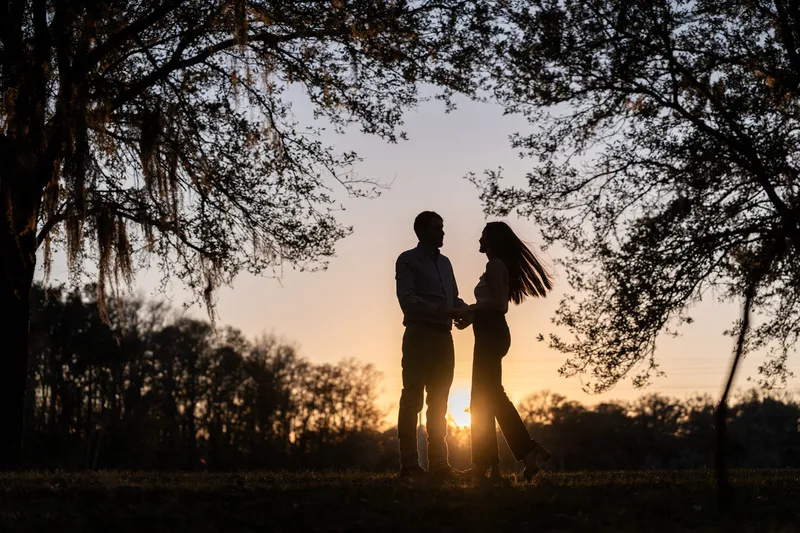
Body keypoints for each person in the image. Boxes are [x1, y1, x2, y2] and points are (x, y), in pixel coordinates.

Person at [453, 221, 554, 482]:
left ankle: (490, 461)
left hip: (492, 334)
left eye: (483, 234)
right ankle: (522, 457)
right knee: (486, 399)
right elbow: (492, 305)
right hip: (489, 332)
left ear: (492, 240)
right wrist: (471, 318)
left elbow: (499, 305)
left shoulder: (494, 265)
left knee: (486, 399)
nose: (479, 238)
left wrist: (471, 310)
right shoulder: (496, 265)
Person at [395, 211, 470, 478]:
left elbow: (454, 299)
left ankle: (439, 463)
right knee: (413, 397)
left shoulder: (446, 263)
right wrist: (443, 310)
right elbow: (407, 299)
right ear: (422, 231)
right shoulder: (407, 260)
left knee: (439, 401)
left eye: (443, 227)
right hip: (418, 335)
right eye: (438, 228)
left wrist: (467, 312)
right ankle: (409, 464)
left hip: (443, 338)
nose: (443, 233)